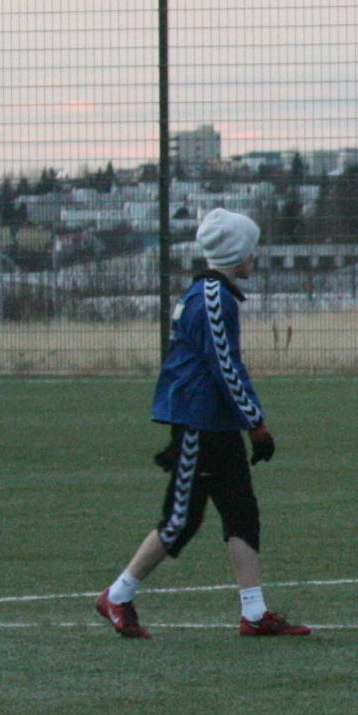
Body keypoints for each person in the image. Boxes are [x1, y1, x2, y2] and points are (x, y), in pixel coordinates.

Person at [94, 209, 311, 639]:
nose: (254, 257)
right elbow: (224, 366)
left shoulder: (213, 292)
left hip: (217, 423)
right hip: (199, 424)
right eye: (250, 249)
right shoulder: (213, 296)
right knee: (181, 518)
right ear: (237, 254)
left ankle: (254, 613)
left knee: (242, 512)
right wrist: (256, 423)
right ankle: (117, 595)